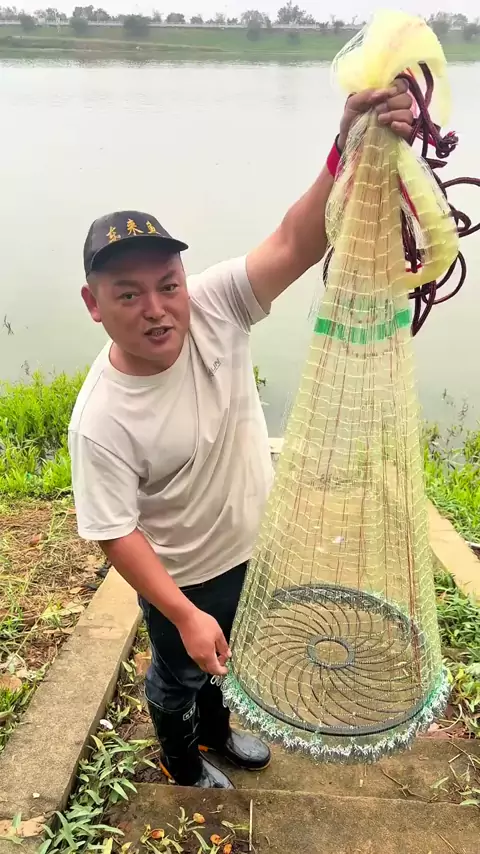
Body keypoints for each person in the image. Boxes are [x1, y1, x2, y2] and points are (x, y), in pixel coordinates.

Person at [69, 81, 414, 789]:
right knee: (181, 670)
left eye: (167, 284)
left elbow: (295, 238)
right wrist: (182, 613)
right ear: (94, 305)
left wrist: (347, 144)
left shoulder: (216, 304)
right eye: (128, 294)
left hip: (253, 548)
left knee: (231, 655)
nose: (157, 309)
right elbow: (114, 531)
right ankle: (181, 759)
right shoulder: (101, 419)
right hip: (182, 576)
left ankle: (219, 734)